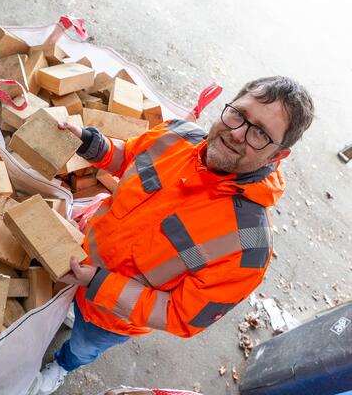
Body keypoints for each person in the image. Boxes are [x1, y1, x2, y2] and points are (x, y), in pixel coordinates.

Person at [33, 76, 315, 395]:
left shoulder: (248, 247)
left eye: (261, 133)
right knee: (65, 312)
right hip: (78, 262)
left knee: (83, 346)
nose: (237, 134)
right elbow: (129, 158)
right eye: (240, 114)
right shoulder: (176, 135)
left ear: (278, 156)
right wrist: (91, 144)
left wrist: (97, 283)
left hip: (113, 318)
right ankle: (72, 314)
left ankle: (61, 366)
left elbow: (181, 315)